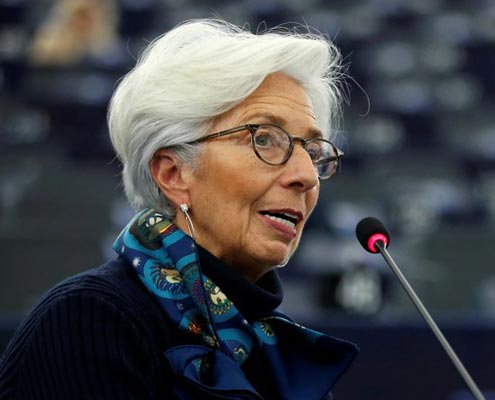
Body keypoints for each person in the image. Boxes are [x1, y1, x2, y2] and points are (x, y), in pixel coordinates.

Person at [0, 19, 358, 399]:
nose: (306, 175)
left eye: (313, 151)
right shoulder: (90, 320)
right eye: (264, 138)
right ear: (173, 173)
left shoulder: (279, 356)